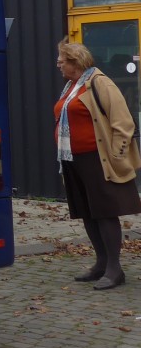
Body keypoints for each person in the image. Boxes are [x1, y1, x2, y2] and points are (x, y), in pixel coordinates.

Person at [54, 40, 141, 289]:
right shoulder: (72, 86)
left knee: (104, 213)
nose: (58, 64)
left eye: (62, 60)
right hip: (74, 159)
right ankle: (101, 264)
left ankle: (115, 269)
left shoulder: (100, 83)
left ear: (76, 62)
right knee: (88, 212)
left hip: (97, 158)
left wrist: (116, 155)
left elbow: (123, 123)